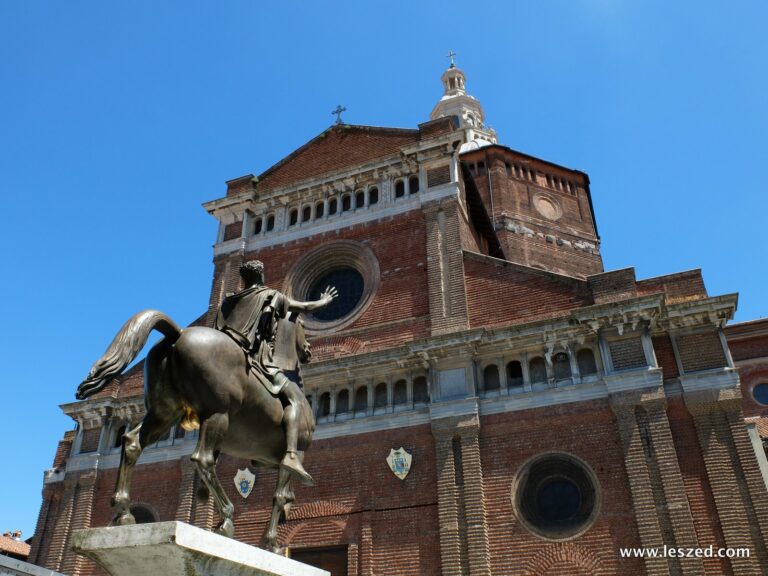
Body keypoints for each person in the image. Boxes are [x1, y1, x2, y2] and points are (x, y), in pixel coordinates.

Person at [215, 260, 337, 485]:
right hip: (259, 361)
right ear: (260, 276)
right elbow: (304, 307)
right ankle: (290, 454)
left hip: (228, 363)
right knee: (294, 400)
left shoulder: (229, 301)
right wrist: (324, 301)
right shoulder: (270, 295)